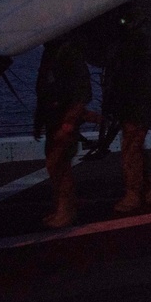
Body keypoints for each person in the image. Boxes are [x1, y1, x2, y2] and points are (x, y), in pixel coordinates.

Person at [103, 7, 151, 214]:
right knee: (135, 147)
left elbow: (127, 79)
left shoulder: (132, 45)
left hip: (135, 103)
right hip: (139, 102)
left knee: (130, 148)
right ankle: (149, 189)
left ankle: (133, 195)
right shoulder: (145, 44)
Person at [34, 34, 94, 228]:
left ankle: (66, 212)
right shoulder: (51, 52)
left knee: (60, 165)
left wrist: (68, 123)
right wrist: (39, 121)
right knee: (55, 166)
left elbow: (83, 92)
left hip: (63, 119)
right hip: (53, 118)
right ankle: (62, 208)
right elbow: (45, 90)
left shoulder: (69, 52)